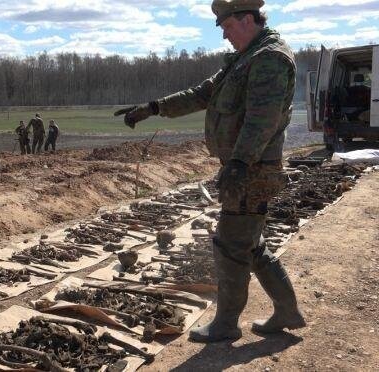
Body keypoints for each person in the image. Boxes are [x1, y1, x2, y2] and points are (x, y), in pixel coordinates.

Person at [115, 0, 305, 343]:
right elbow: (202, 93)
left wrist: (238, 163)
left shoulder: (270, 58)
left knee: (231, 244)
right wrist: (154, 108)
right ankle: (287, 311)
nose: (225, 36)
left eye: (227, 27)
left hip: (253, 170)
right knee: (249, 244)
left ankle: (226, 324)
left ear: (247, 19)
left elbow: (264, 119)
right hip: (246, 166)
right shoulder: (245, 58)